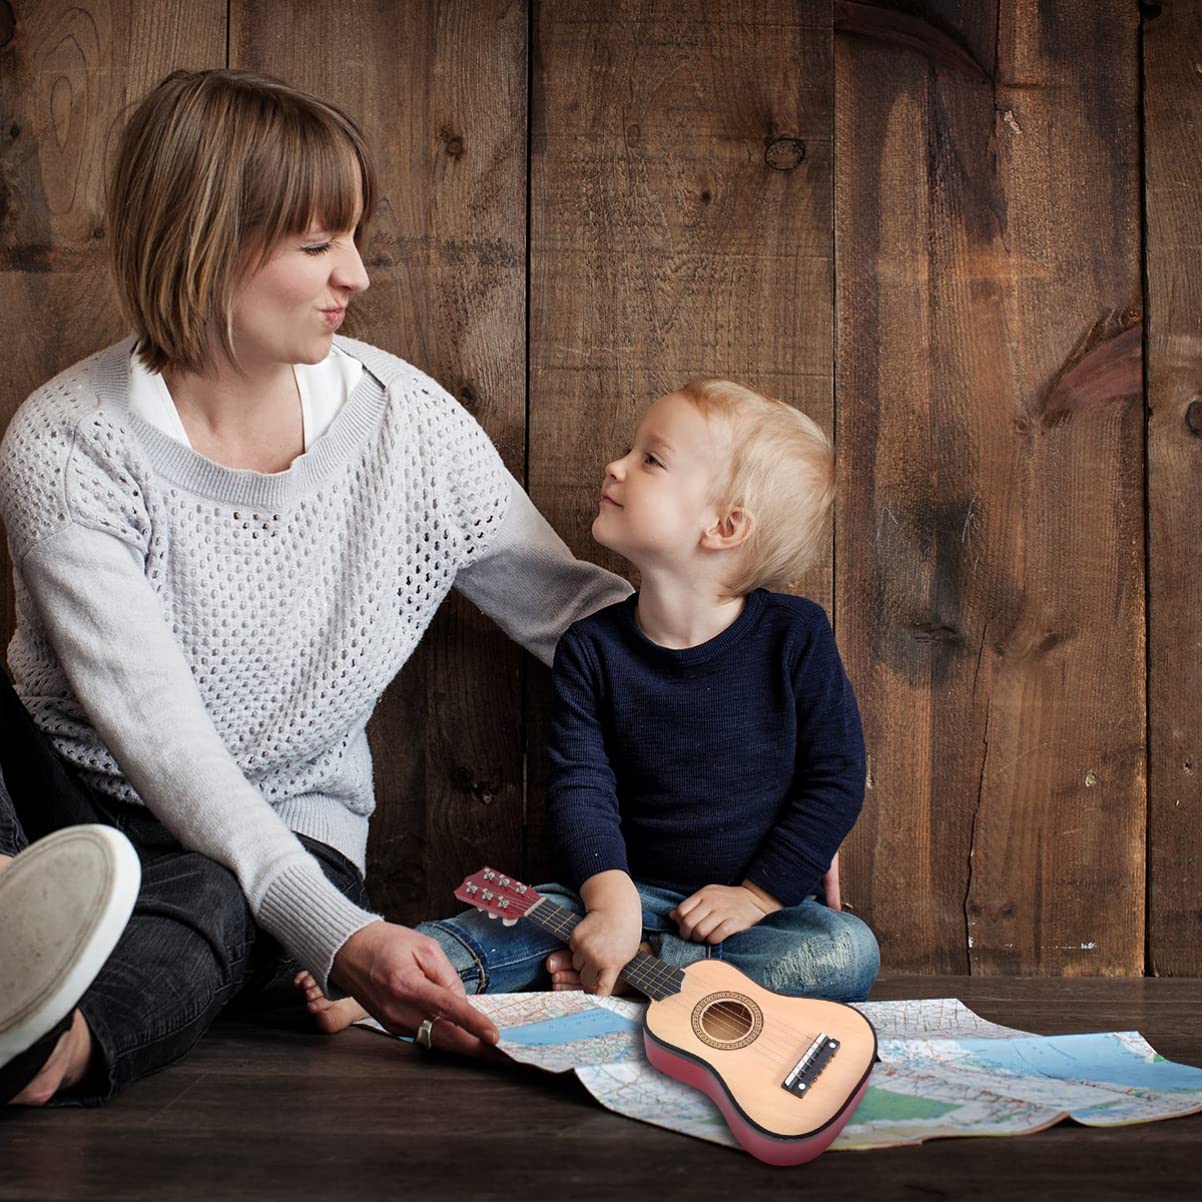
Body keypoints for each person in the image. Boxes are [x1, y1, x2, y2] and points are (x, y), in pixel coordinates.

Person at [0, 67, 634, 1107]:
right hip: (59, 805)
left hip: (281, 833)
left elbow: (576, 616)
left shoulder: (407, 426)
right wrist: (345, 943)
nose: (357, 274)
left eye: (353, 237)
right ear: (206, 244)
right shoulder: (67, 447)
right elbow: (166, 747)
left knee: (222, 897)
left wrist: (771, 747)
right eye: (315, 244)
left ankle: (50, 1047)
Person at [295, 377, 879, 1037]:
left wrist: (759, 895)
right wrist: (610, 902)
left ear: (724, 527)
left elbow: (835, 777)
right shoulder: (593, 649)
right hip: (627, 892)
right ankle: (392, 979)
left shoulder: (795, 638)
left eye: (650, 459)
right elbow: (582, 787)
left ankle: (644, 971)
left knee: (846, 951)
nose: (617, 465)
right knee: (516, 918)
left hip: (755, 916)